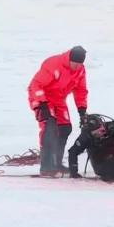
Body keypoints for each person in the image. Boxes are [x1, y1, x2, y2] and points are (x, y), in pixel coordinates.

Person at [28, 46, 88, 177]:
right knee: (49, 128)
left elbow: (80, 90)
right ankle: (46, 167)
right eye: (75, 63)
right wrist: (42, 103)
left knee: (65, 128)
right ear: (69, 59)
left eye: (80, 64)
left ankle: (57, 163)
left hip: (59, 100)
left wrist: (82, 110)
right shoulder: (54, 64)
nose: (77, 66)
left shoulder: (80, 71)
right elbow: (36, 84)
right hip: (42, 98)